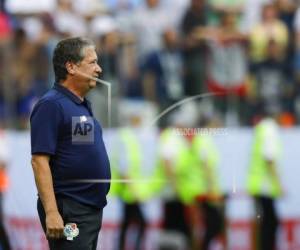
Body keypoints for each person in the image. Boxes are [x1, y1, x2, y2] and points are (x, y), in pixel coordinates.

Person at [30, 37, 111, 250]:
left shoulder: (77, 105)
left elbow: (78, 154)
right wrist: (52, 212)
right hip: (70, 214)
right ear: (71, 67)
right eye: (92, 62)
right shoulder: (52, 105)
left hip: (87, 213)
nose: (99, 69)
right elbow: (39, 161)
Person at [247, 114, 283, 250]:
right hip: (265, 187)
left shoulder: (261, 129)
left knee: (264, 223)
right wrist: (279, 184)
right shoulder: (270, 130)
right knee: (270, 224)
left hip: (258, 185)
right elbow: (270, 159)